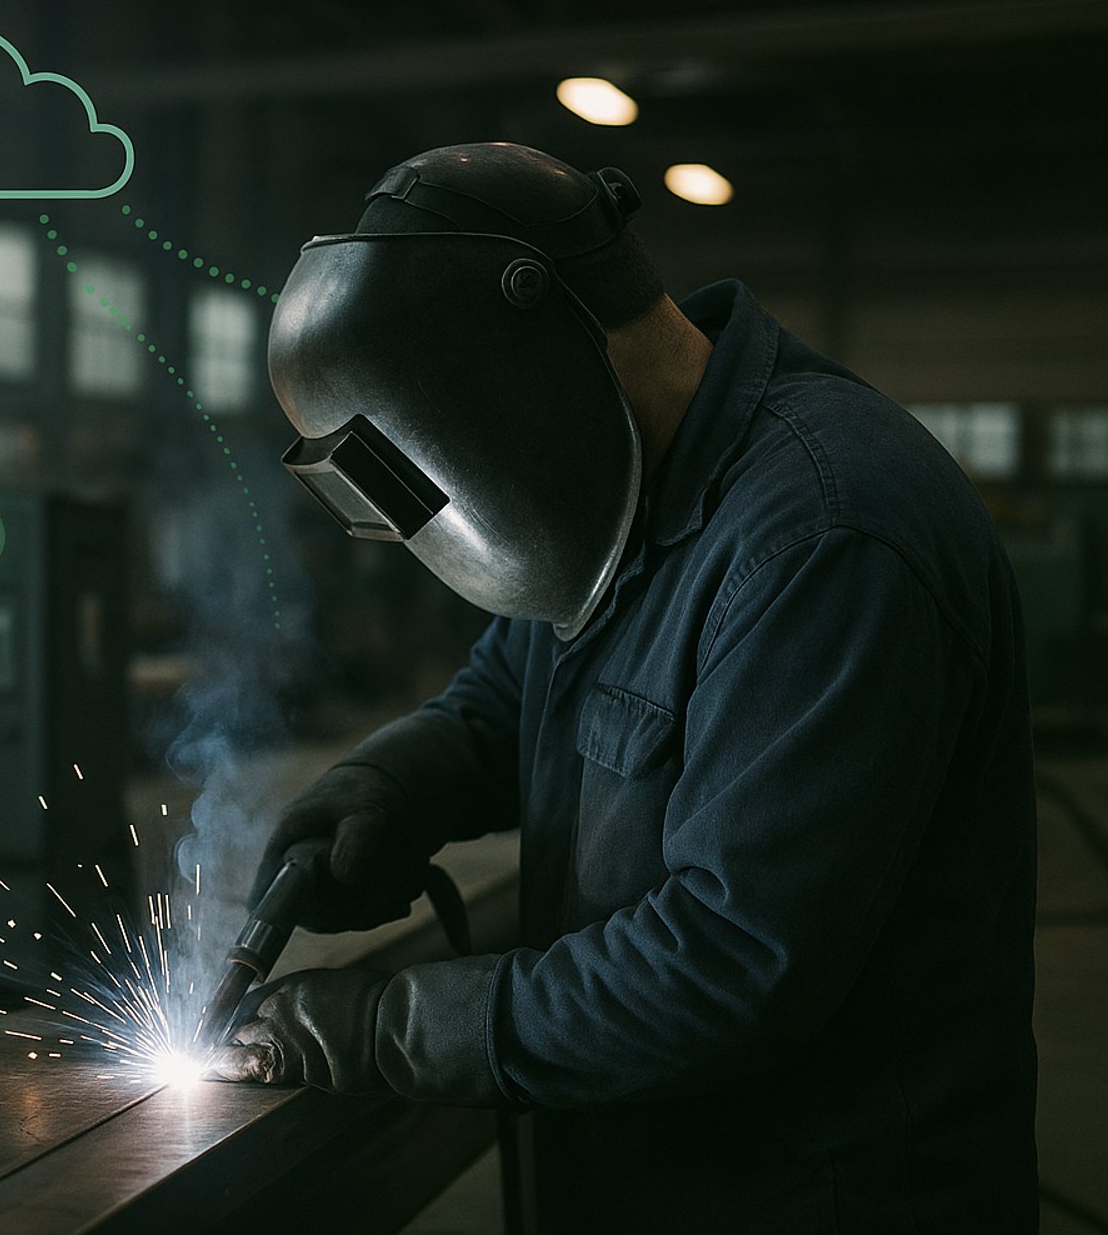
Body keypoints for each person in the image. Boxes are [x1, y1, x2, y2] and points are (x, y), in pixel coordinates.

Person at [208, 142, 1038, 1233]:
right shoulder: (622, 498)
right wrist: (395, 784)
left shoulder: (827, 537)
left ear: (532, 354)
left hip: (815, 1198)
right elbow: (512, 693)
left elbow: (729, 960)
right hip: (650, 1174)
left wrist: (388, 1028)